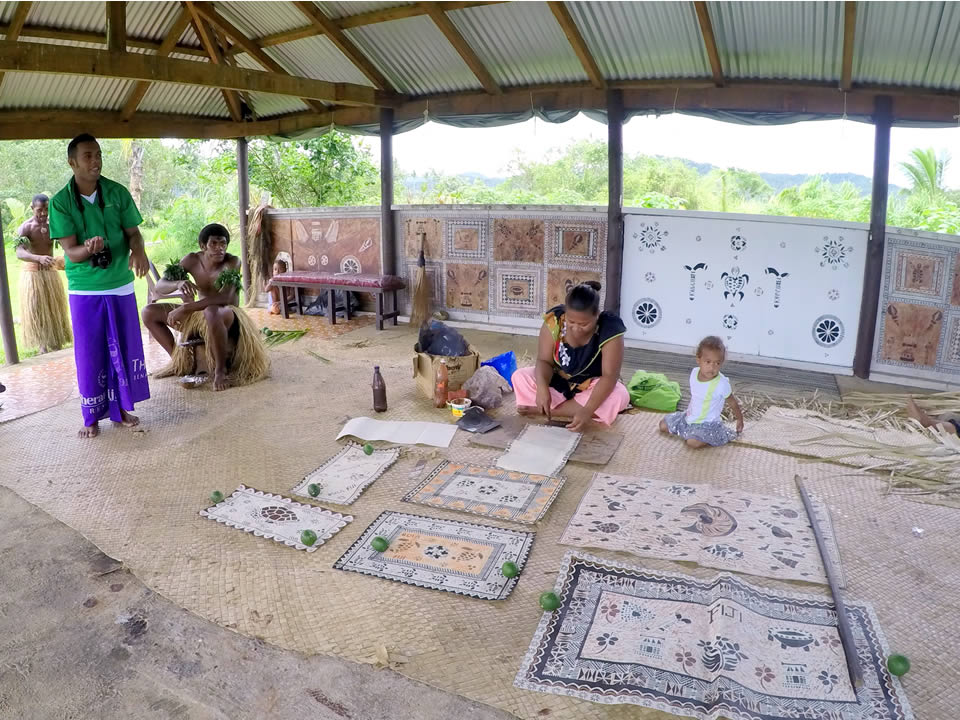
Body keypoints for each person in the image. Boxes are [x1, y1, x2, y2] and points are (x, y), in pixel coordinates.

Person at [48, 133, 150, 439]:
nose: (96, 161)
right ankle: (90, 415)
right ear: (72, 162)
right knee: (90, 352)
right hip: (85, 290)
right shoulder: (61, 202)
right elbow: (71, 253)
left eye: (99, 155)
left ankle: (122, 409)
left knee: (125, 346)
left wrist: (139, 249)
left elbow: (133, 233)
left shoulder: (117, 193)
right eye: (88, 156)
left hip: (120, 285)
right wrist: (89, 249)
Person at [145, 223, 269, 391]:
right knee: (148, 312)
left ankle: (220, 370)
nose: (219, 248)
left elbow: (226, 297)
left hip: (227, 314)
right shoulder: (191, 260)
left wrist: (186, 308)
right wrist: (179, 282)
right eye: (214, 244)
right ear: (203, 246)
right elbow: (160, 286)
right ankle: (178, 361)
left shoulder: (232, 262)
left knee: (212, 311)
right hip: (199, 314)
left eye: (223, 244)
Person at [513, 281, 631, 431]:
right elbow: (544, 361)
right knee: (520, 376)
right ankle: (567, 408)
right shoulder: (554, 321)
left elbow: (610, 376)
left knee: (619, 395)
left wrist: (587, 410)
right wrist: (542, 389)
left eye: (584, 324)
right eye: (571, 321)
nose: (576, 329)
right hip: (558, 381)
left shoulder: (610, 329)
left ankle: (546, 410)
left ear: (597, 316)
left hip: (592, 386)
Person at [660, 336, 744, 449]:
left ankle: (714, 436)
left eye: (717, 363)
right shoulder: (694, 373)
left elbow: (733, 403)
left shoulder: (721, 384)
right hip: (689, 417)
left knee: (692, 442)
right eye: (708, 362)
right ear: (698, 359)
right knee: (663, 425)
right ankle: (689, 430)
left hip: (707, 424)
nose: (712, 367)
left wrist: (739, 419)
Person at [14, 194, 72, 353]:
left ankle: (56, 341)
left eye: (46, 209)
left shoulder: (54, 225)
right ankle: (42, 345)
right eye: (39, 210)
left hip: (51, 273)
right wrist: (38, 258)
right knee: (36, 308)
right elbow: (19, 252)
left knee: (55, 308)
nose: (43, 213)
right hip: (33, 275)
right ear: (32, 209)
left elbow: (67, 243)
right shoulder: (26, 227)